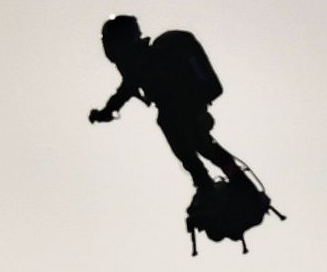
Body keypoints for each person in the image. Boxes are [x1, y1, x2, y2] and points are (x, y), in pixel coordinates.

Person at [89, 15, 251, 195]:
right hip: (185, 106)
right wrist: (106, 111)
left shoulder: (142, 60)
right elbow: (125, 91)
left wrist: (106, 112)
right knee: (202, 145)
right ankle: (226, 182)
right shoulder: (142, 59)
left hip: (182, 106)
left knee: (187, 138)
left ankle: (207, 183)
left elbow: (125, 91)